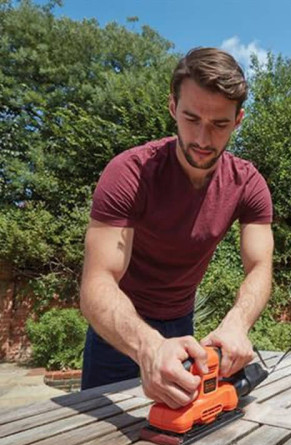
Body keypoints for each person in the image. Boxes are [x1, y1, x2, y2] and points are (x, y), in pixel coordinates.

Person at [79, 47, 274, 409]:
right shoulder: (128, 173)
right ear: (172, 107)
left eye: (219, 125)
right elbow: (96, 284)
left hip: (182, 323)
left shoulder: (248, 184)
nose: (202, 139)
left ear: (238, 120)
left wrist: (237, 322)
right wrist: (148, 347)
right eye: (191, 118)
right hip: (117, 330)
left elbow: (260, 266)